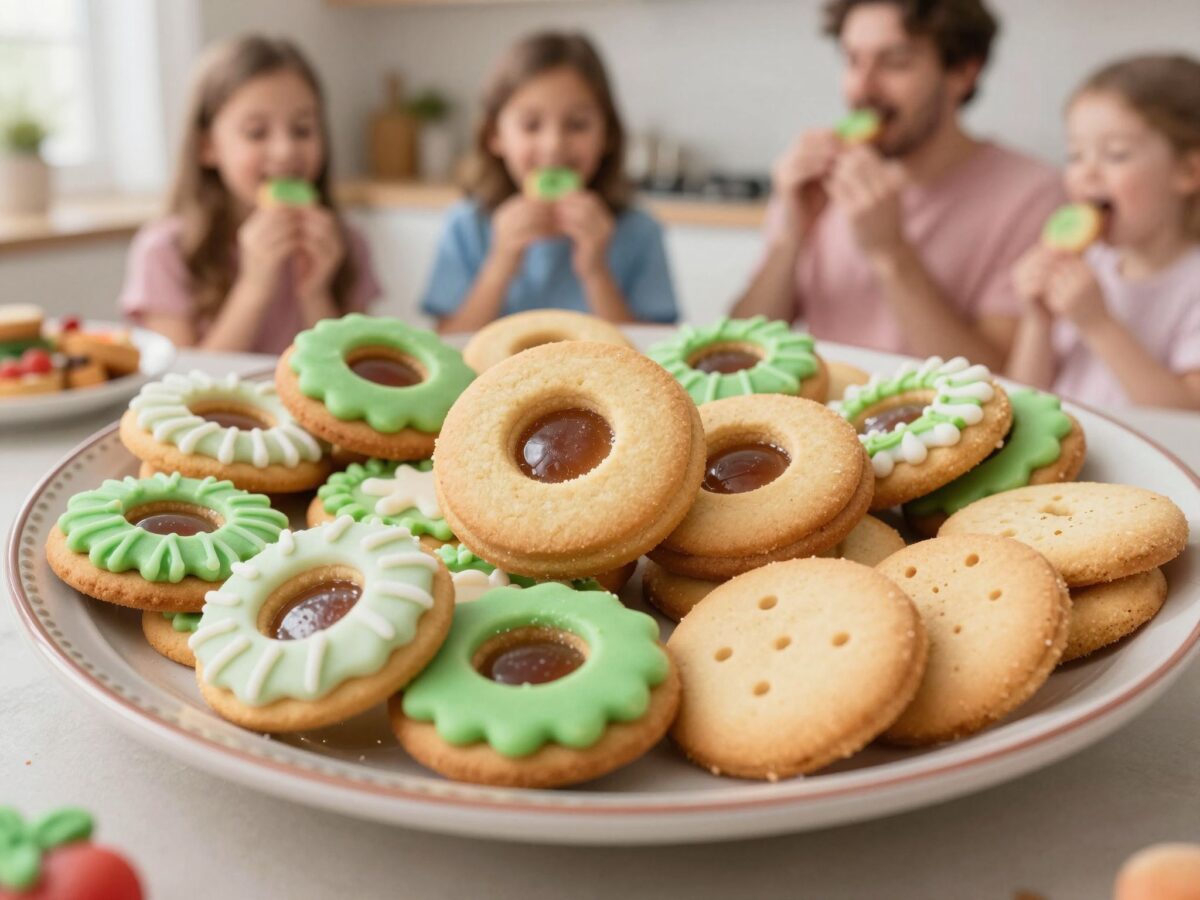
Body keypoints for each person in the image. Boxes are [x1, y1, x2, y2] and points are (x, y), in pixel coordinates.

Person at [734, 0, 1060, 370]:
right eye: (852, 60)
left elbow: (998, 382)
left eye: (895, 62)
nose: (862, 88)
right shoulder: (816, 182)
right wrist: (790, 238)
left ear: (963, 73)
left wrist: (889, 252)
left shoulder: (1033, 194)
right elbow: (737, 357)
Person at [119, 35, 380, 353]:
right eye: (256, 133)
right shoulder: (165, 251)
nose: (285, 150)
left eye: (302, 129)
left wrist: (315, 294)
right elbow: (183, 378)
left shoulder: (347, 243)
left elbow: (354, 375)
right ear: (207, 146)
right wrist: (254, 286)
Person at [420, 31, 677, 333]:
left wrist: (596, 271)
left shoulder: (640, 231)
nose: (554, 145)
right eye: (531, 125)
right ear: (495, 135)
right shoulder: (466, 226)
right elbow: (447, 343)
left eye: (577, 125)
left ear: (608, 134)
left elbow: (653, 349)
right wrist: (500, 264)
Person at [1007, 55, 1200, 409]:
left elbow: (1187, 415)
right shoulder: (1091, 263)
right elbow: (1022, 401)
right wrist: (1037, 322)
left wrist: (1098, 324)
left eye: (1116, 154)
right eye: (1076, 155)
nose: (1087, 172)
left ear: (1187, 171)